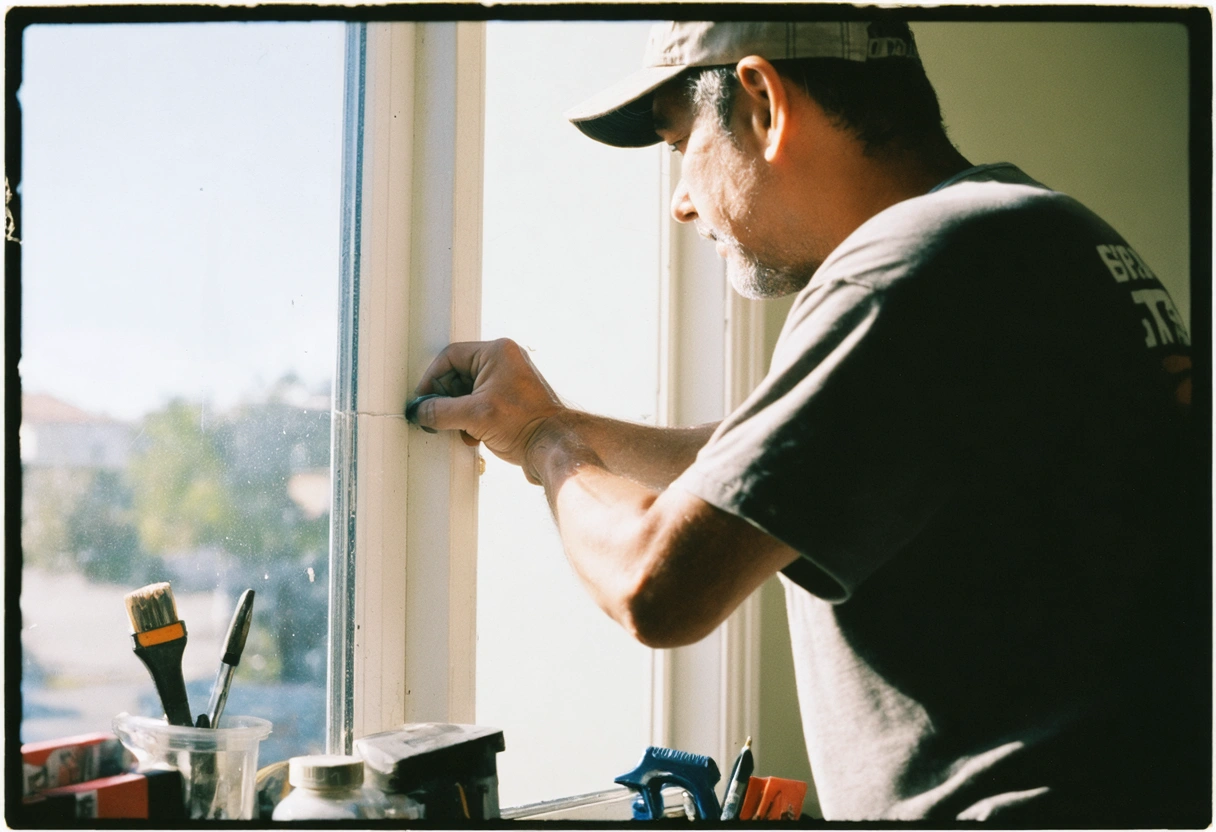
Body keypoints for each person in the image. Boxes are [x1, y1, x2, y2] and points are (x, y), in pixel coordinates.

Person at [408, 21, 1207, 824]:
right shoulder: (1034, 234)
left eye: (682, 142)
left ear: (762, 103)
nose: (682, 203)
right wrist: (543, 417)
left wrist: (551, 447)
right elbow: (766, 464)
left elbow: (655, 586)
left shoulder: (904, 266)